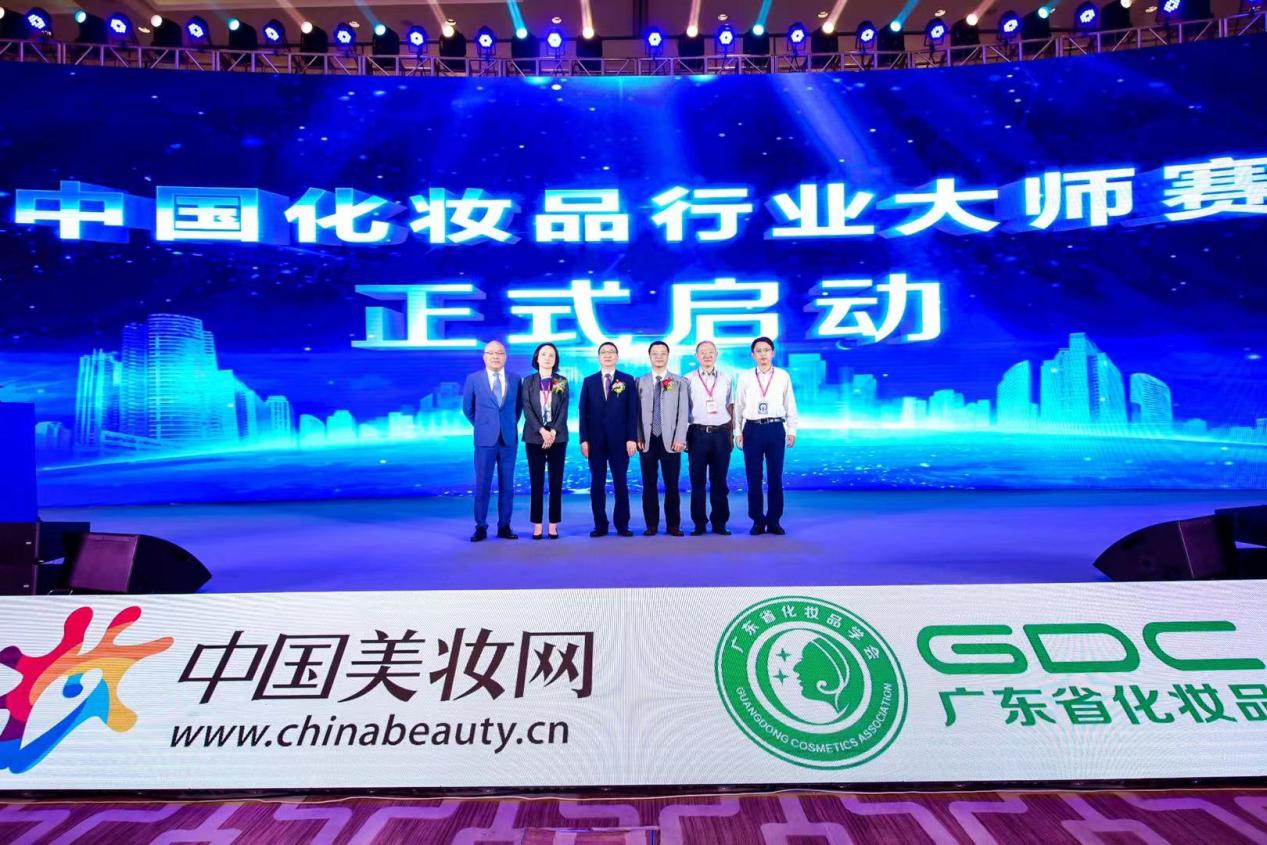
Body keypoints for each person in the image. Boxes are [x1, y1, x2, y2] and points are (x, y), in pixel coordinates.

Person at [733, 336, 798, 536]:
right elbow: (738, 405)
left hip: (776, 428)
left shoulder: (782, 376)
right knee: (753, 478)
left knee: (775, 477)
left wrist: (792, 430)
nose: (763, 354)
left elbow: (790, 403)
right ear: (753, 355)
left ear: (773, 353)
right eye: (759, 351)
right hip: (752, 429)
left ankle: (774, 520)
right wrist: (737, 431)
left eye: (766, 350)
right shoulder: (745, 377)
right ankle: (757, 521)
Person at [461, 340, 522, 542]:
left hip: (508, 440)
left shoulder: (515, 379)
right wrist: (484, 426)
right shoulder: (473, 379)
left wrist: (506, 426)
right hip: (484, 440)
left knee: (507, 485)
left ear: (505, 356)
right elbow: (468, 409)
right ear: (484, 356)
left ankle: (504, 526)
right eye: (491, 353)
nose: (495, 356)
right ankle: (481, 527)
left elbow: (518, 409)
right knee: (482, 484)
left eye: (500, 353)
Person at [578, 341, 638, 537]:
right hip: (595, 442)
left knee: (621, 482)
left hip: (620, 441)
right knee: (597, 483)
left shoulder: (627, 380)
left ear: (617, 356)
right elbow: (582, 412)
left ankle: (622, 524)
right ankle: (600, 525)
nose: (607, 354)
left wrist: (632, 438)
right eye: (603, 352)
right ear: (598, 357)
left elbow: (632, 412)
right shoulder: (589, 381)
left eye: (611, 351)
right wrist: (584, 439)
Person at [636, 341, 690, 536]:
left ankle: (673, 525)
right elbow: (635, 413)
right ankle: (651, 525)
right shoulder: (639, 382)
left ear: (668, 356)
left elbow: (683, 413)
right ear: (649, 356)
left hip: (671, 440)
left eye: (663, 353)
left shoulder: (680, 382)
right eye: (655, 353)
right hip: (647, 440)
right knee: (648, 484)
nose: (659, 357)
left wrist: (680, 438)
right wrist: (638, 436)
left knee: (672, 485)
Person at [685, 340, 734, 536]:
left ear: (716, 355)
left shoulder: (727, 378)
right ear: (696, 356)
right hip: (697, 433)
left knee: (720, 481)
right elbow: (683, 409)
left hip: (721, 434)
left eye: (711, 352)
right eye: (703, 352)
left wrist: (733, 433)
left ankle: (720, 522)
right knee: (697, 482)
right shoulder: (688, 379)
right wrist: (683, 436)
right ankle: (699, 523)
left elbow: (731, 406)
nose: (707, 355)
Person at [521, 342, 569, 540]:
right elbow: (527, 408)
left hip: (558, 438)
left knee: (556, 482)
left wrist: (553, 432)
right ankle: (538, 523)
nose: (547, 358)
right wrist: (542, 431)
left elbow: (564, 409)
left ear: (555, 360)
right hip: (534, 437)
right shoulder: (528, 381)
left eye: (551, 355)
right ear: (537, 358)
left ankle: (554, 524)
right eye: (544, 354)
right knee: (536, 481)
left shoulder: (561, 381)